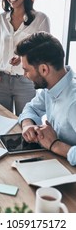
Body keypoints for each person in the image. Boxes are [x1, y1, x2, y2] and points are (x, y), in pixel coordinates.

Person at [0, 0, 50, 116]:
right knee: (1, 123)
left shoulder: (41, 19)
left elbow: (45, 51)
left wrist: (24, 57)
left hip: (26, 81)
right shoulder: (1, 19)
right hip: (2, 81)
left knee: (27, 123)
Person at [15, 31, 76, 166]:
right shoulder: (51, 87)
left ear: (43, 69)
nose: (24, 75)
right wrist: (28, 125)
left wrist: (55, 144)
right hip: (56, 162)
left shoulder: (73, 103)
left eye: (26, 70)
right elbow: (30, 108)